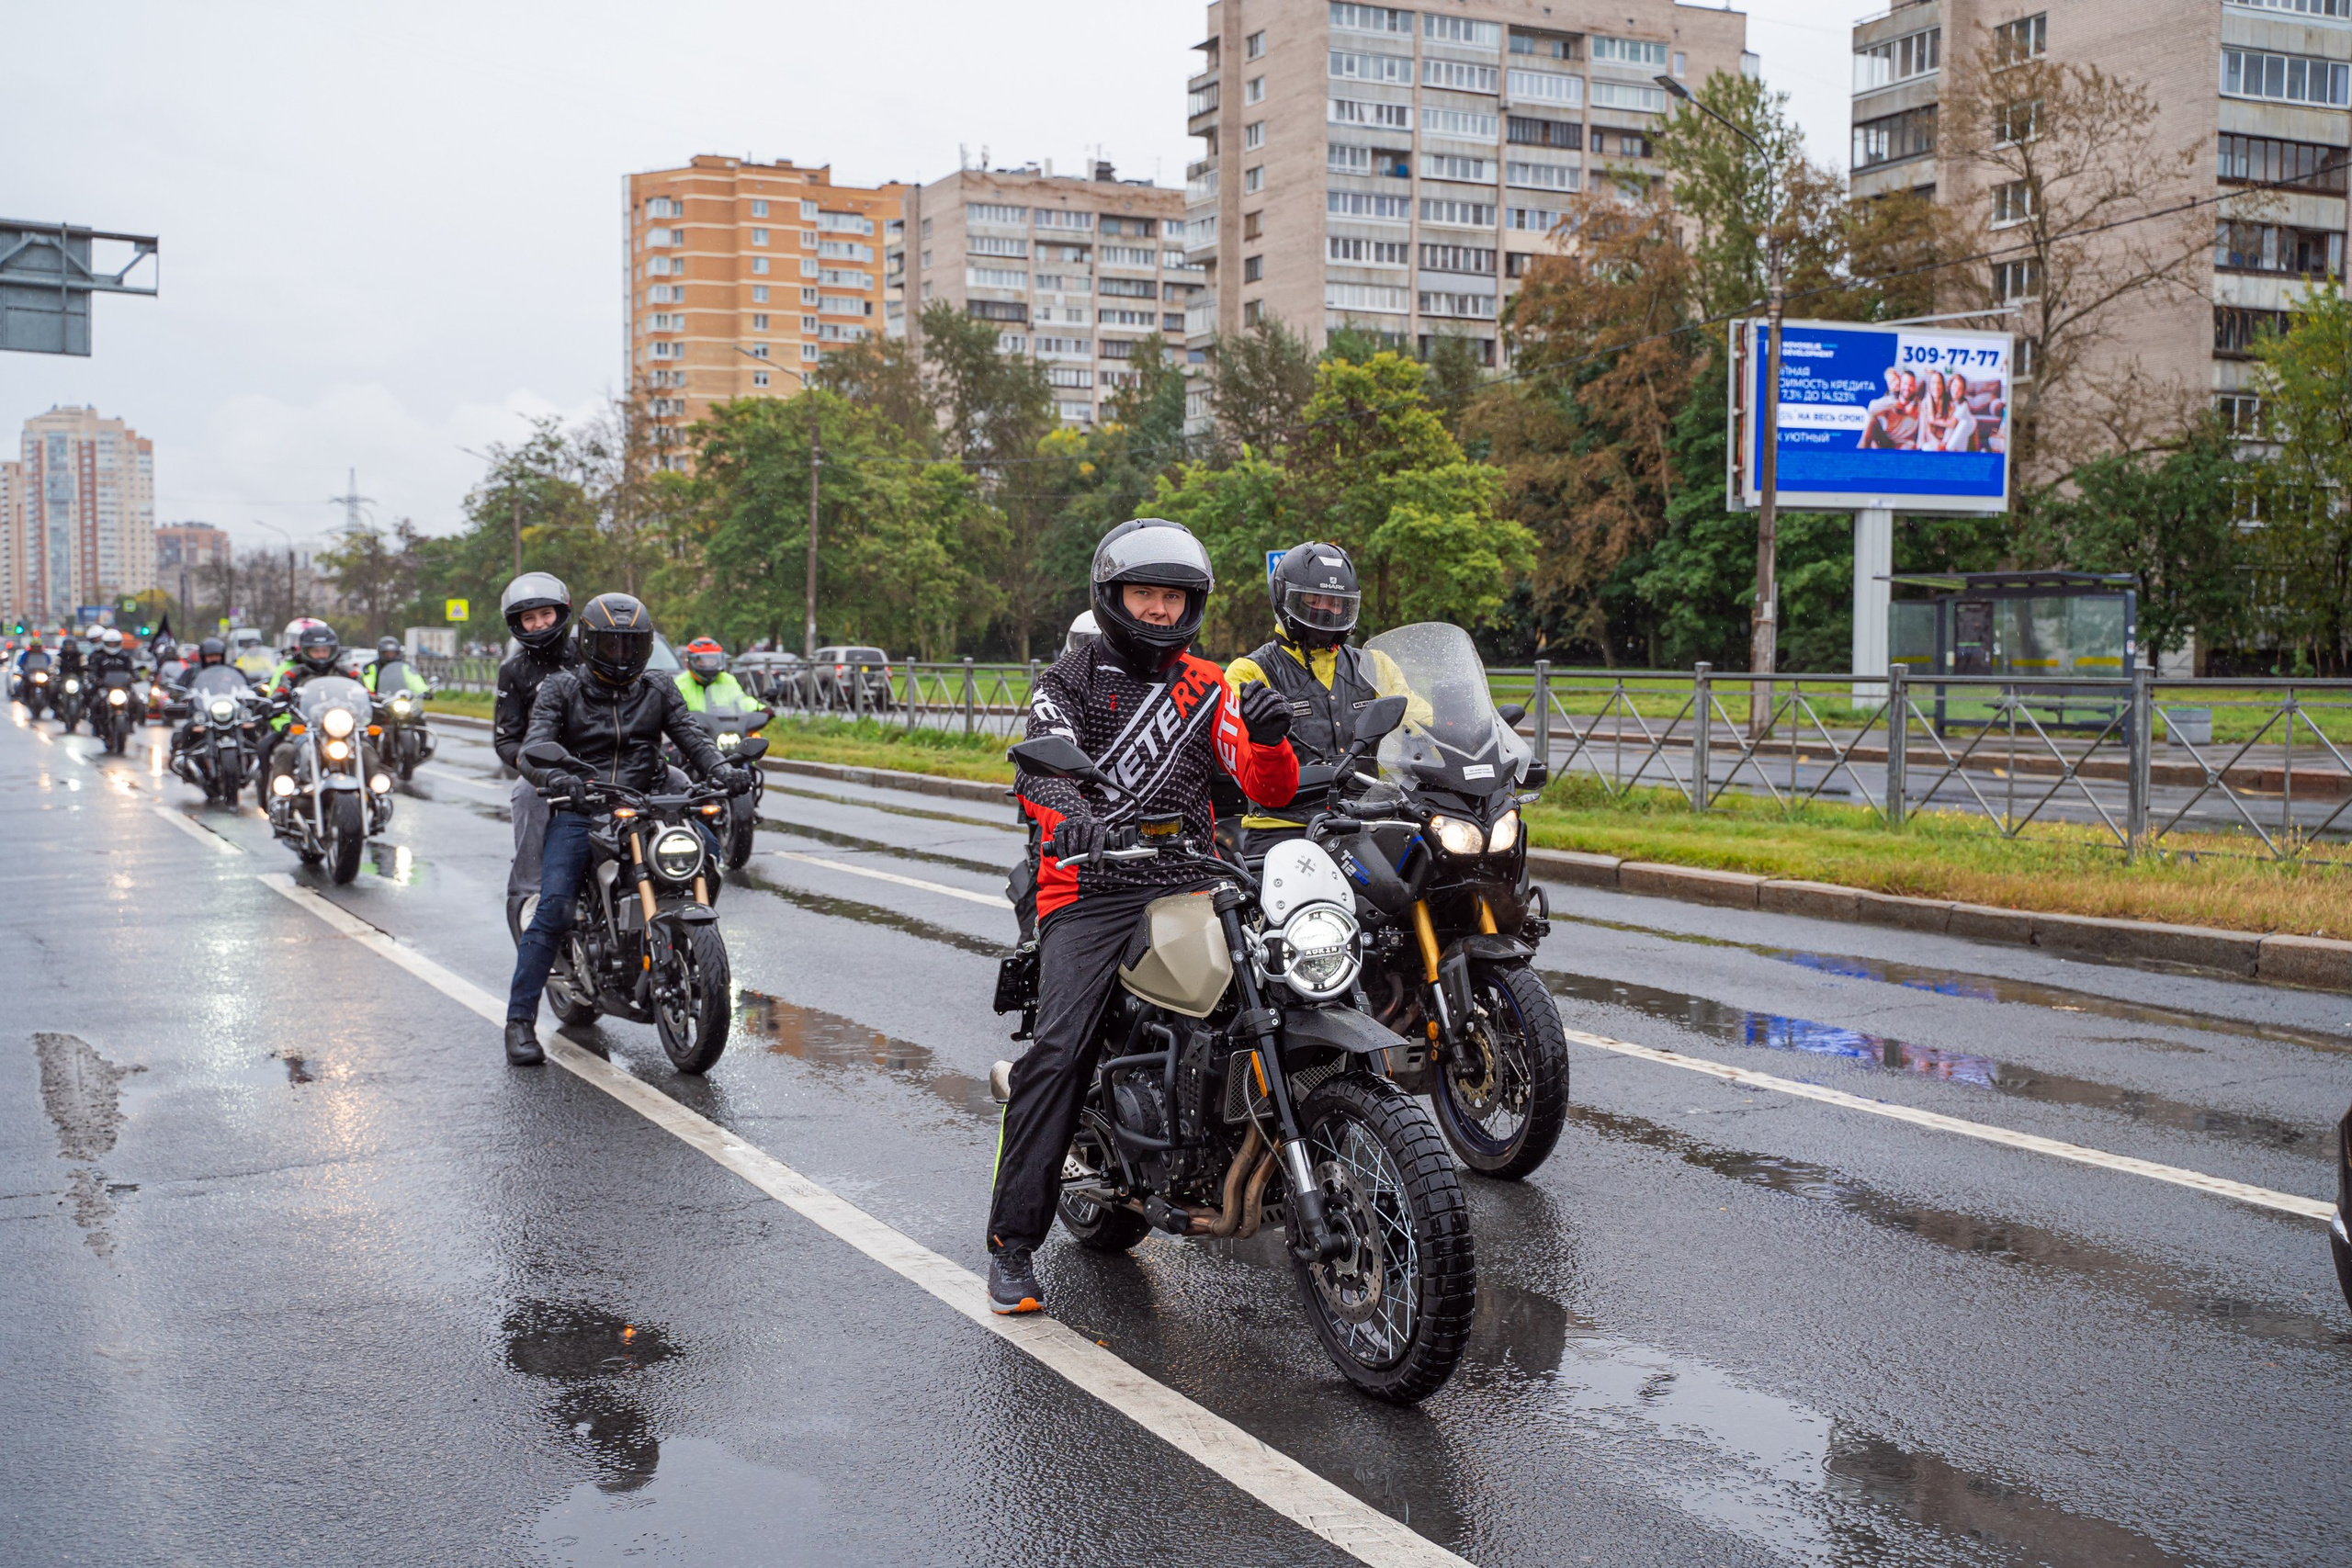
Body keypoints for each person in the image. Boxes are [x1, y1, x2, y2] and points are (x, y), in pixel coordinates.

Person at [985, 517, 1299, 1316]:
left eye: (1172, 596)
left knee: (1292, 982)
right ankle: (1012, 1244)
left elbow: (1265, 789)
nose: (1159, 609)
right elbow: (1040, 772)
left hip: (1193, 875)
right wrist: (1075, 821)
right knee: (1058, 1050)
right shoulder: (1070, 679)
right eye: (1144, 594)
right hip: (1089, 885)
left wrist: (1271, 744)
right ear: (1114, 596)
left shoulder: (1209, 686)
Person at [504, 593, 752, 1066]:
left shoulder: (658, 687)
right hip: (585, 806)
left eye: (631, 647)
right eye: (612, 646)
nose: (622, 657)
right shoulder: (561, 689)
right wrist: (559, 778)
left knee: (709, 856)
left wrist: (720, 770)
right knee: (554, 907)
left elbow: (691, 738)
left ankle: (673, 936)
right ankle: (518, 1022)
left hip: (651, 801)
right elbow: (535, 747)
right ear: (590, 644)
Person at [1224, 541, 1423, 855]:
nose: (1326, 611)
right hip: (1284, 827)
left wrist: (1470, 739)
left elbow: (1420, 721)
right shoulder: (1249, 671)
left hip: (1367, 819)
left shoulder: (1374, 664)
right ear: (1285, 598)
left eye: (1336, 602)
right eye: (1313, 600)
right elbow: (1236, 752)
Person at [493, 572, 582, 917]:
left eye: (545, 614)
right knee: (526, 795)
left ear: (562, 612)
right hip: (545, 770)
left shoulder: (589, 656)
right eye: (528, 618)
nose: (538, 624)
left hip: (601, 757)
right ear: (517, 624)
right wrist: (535, 767)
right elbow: (506, 739)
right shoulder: (514, 671)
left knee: (675, 781)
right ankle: (529, 896)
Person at [259, 621, 348, 797]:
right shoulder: (294, 674)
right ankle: (280, 798)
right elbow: (280, 691)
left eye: (325, 650)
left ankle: (375, 793)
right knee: (284, 750)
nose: (321, 655)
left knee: (366, 750)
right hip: (304, 728)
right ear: (306, 652)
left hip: (340, 730)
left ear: (333, 650)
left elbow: (363, 693)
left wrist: (374, 702)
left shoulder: (346, 673)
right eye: (316, 651)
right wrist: (274, 703)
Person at [676, 637, 756, 716]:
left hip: (724, 727)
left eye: (711, 661)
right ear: (691, 662)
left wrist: (760, 708)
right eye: (702, 662)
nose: (707, 665)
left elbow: (740, 700)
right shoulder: (680, 683)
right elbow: (673, 710)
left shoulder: (726, 679)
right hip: (691, 728)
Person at [364, 636, 429, 695]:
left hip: (402, 698)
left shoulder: (404, 666)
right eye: (387, 653)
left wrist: (423, 691)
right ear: (381, 653)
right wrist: (370, 692)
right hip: (378, 701)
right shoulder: (372, 667)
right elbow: (368, 682)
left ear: (398, 653)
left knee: (417, 708)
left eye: (393, 653)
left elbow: (414, 680)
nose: (390, 656)